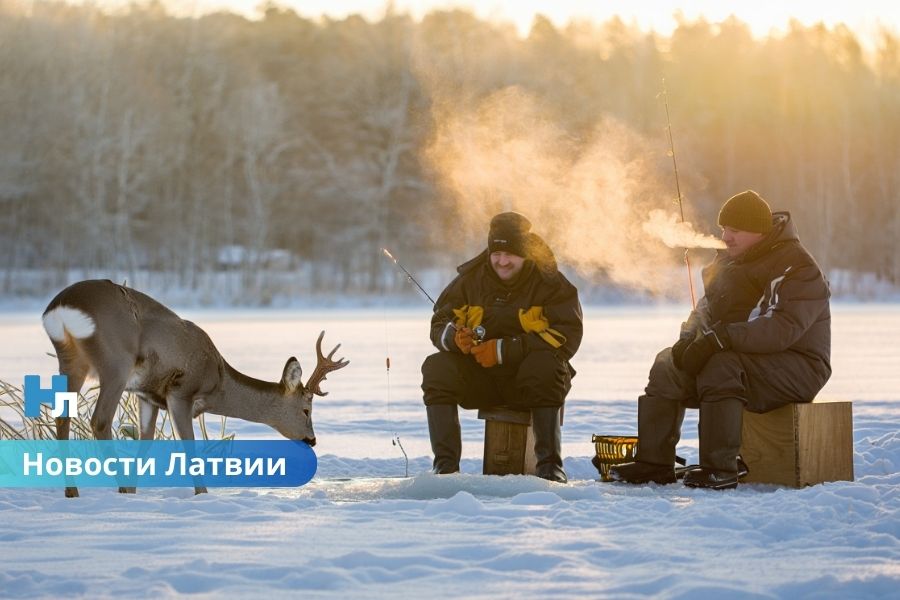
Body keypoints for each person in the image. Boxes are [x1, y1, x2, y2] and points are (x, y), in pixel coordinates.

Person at [609, 190, 831, 490]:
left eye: (735, 231)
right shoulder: (728, 263)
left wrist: (718, 340)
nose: (726, 237)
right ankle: (654, 462)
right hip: (740, 359)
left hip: (799, 367)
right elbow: (706, 309)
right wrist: (689, 339)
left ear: (759, 231)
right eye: (724, 229)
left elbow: (779, 327)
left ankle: (719, 468)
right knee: (667, 363)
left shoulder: (795, 266)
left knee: (721, 365)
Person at [421, 212, 583, 482]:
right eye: (496, 253)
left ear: (526, 253)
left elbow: (567, 335)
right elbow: (439, 324)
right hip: (483, 384)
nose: (502, 261)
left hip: (532, 384)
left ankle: (550, 467)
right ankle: (445, 468)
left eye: (511, 254)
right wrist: (454, 338)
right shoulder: (469, 281)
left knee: (545, 364)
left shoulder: (551, 284)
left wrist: (502, 351)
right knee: (436, 367)